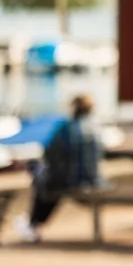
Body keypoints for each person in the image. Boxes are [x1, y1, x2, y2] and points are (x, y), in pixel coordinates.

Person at [16, 94, 107, 243]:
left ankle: (34, 223)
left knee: (42, 180)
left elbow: (51, 153)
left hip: (72, 180)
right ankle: (34, 224)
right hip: (94, 179)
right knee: (47, 183)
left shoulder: (69, 128)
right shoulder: (96, 128)